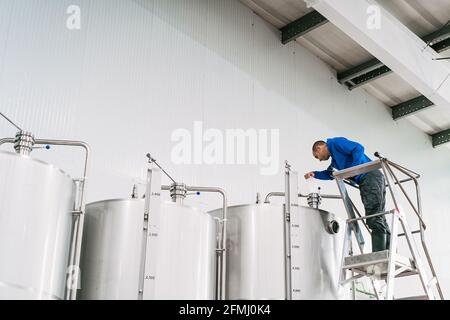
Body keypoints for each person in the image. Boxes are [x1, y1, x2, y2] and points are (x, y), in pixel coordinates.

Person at [304, 137, 391, 252]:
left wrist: (352, 169)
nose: (319, 160)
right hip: (369, 179)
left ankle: (380, 252)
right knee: (379, 214)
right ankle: (388, 250)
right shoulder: (335, 161)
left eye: (317, 156)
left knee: (373, 215)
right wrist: (314, 174)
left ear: (319, 148)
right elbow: (330, 174)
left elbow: (358, 148)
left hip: (370, 176)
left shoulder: (335, 143)